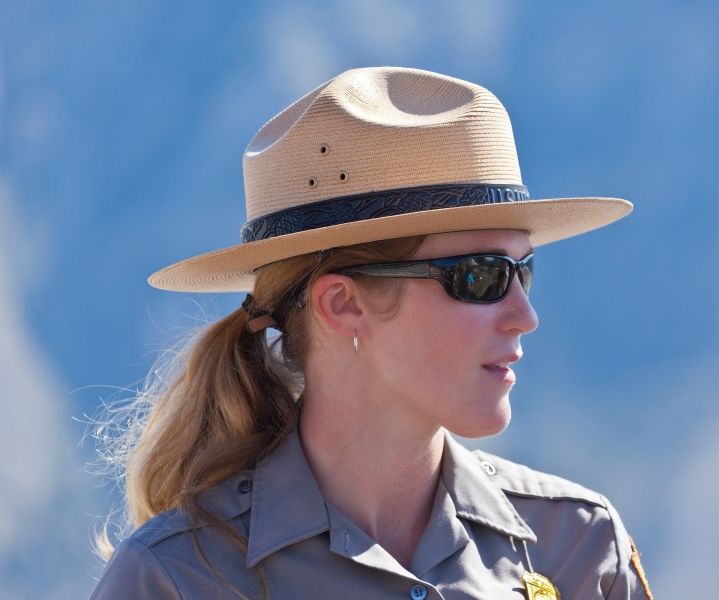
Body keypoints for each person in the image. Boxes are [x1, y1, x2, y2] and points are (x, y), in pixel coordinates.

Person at [91, 66, 654, 600]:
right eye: (480, 277)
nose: (524, 314)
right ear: (342, 304)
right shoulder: (177, 579)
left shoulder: (578, 545)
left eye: (523, 271)